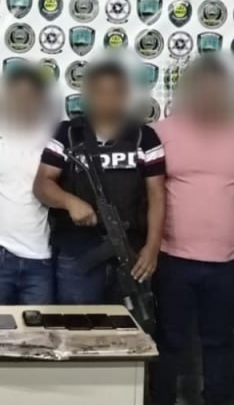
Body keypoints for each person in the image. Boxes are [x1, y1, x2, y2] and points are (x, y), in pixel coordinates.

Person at [145, 56, 234, 405]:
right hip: (173, 258)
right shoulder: (161, 133)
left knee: (220, 342)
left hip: (228, 262)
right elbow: (148, 193)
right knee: (169, 341)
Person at [34, 60, 165, 304]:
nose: (107, 99)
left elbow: (157, 195)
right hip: (77, 254)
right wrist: (69, 201)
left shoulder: (144, 137)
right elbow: (42, 184)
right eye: (99, 92)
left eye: (114, 92)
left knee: (130, 324)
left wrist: (152, 247)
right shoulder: (68, 133)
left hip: (131, 252)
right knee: (77, 325)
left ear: (124, 95)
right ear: (87, 95)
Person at [0, 64, 55, 304]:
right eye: (16, 96)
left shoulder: (52, 140)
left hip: (40, 255)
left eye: (29, 96)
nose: (22, 103)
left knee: (39, 328)